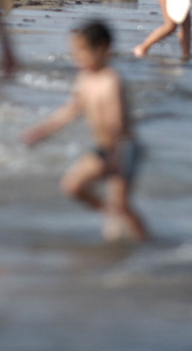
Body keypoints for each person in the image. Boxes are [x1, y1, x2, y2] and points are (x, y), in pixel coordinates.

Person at [22, 21, 148, 241]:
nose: (76, 57)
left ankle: (146, 241)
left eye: (81, 51)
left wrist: (115, 155)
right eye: (74, 51)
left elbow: (116, 121)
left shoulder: (111, 80)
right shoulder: (85, 80)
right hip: (103, 149)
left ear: (103, 49)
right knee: (72, 186)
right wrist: (41, 132)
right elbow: (68, 112)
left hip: (122, 150)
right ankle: (113, 216)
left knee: (122, 204)